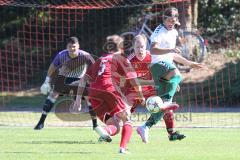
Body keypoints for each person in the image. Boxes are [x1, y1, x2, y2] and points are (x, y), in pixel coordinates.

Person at [136, 7, 204, 143]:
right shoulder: (158, 31)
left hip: (165, 68)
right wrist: (174, 78)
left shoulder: (173, 32)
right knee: (176, 74)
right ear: (164, 19)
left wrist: (189, 63)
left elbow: (172, 55)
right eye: (169, 21)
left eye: (174, 21)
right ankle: (166, 102)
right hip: (158, 66)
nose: (172, 23)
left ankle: (147, 127)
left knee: (165, 107)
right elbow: (153, 49)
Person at [74, 35, 145, 154]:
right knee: (127, 118)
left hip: (93, 93)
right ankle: (122, 148)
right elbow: (134, 81)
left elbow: (83, 80)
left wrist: (77, 101)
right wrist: (141, 96)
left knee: (115, 126)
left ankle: (104, 131)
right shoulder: (122, 59)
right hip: (108, 88)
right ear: (121, 47)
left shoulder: (100, 60)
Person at [34, 37, 108, 140]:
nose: (72, 49)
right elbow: (53, 66)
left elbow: (95, 67)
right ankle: (41, 123)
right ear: (67, 47)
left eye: (74, 46)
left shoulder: (85, 56)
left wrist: (93, 81)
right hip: (64, 79)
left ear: (78, 46)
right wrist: (47, 80)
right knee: (53, 95)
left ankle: (95, 125)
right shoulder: (61, 55)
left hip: (80, 79)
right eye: (70, 46)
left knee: (89, 98)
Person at [122, 34, 180, 143]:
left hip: (151, 89)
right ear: (133, 48)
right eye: (137, 47)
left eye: (142, 46)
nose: (140, 49)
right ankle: (108, 130)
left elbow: (164, 72)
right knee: (123, 114)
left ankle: (171, 133)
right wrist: (153, 82)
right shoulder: (129, 61)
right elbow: (134, 81)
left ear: (146, 47)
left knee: (166, 105)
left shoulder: (152, 57)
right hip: (133, 90)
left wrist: (172, 82)